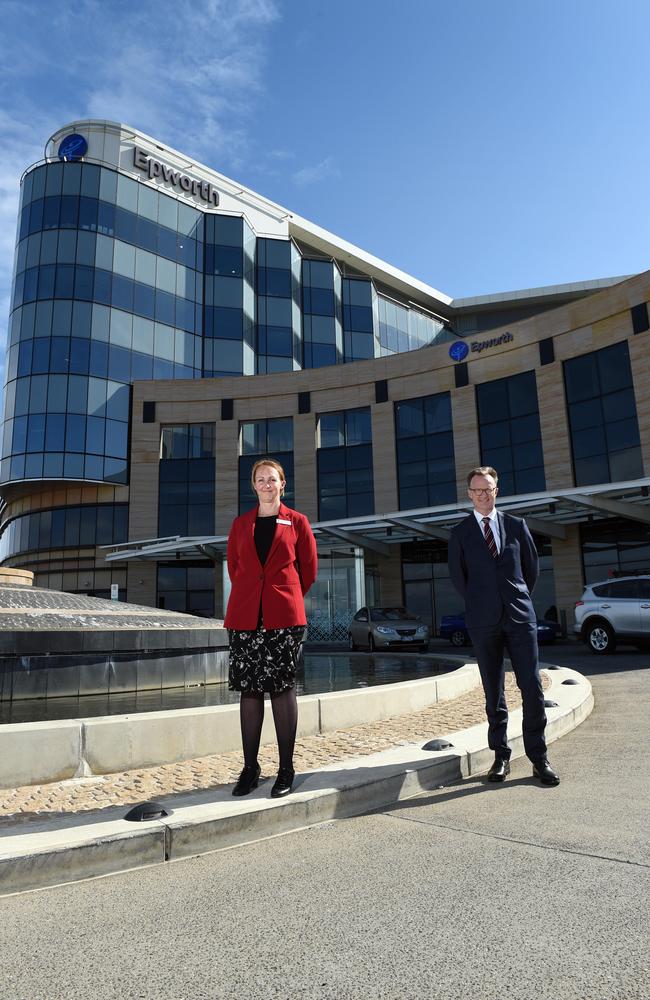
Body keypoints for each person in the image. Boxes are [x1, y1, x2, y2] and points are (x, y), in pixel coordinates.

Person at [448, 466, 560, 786]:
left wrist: (516, 598)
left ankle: (539, 758)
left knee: (532, 689)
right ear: (469, 494)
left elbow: (531, 570)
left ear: (497, 490)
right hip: (484, 622)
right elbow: (460, 579)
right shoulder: (460, 533)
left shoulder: (516, 526)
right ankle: (500, 756)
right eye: (477, 490)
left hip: (519, 617)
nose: (483, 495)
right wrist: (484, 604)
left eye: (489, 489)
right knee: (493, 691)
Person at [224, 458, 318, 799]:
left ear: (282, 484)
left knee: (281, 689)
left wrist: (283, 596)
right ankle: (251, 768)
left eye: (272, 479)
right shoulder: (240, 525)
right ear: (254, 485)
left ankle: (286, 769)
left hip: (284, 618)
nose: (266, 484)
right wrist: (254, 596)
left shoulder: (297, 522)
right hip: (245, 617)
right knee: (249, 690)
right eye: (260, 479)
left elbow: (308, 569)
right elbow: (236, 567)